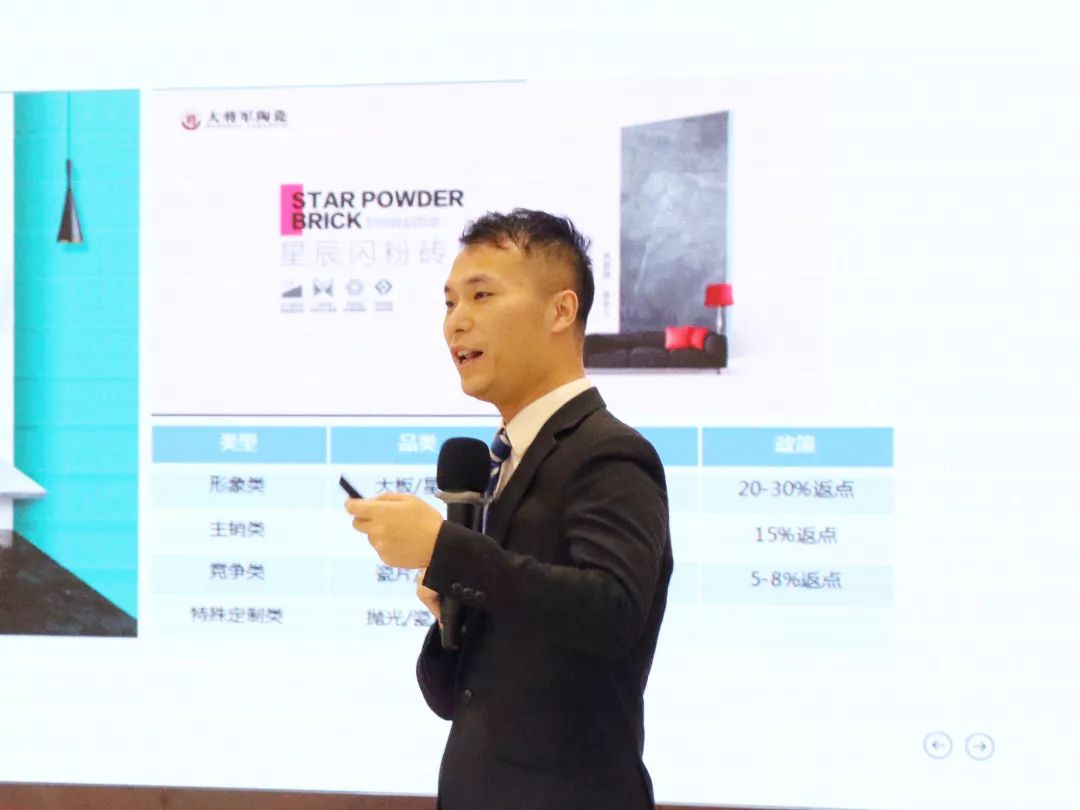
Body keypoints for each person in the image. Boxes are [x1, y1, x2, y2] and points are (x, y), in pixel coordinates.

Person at [346, 209, 672, 809]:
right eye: (449, 302)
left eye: (482, 295)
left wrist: (446, 550)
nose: (456, 321)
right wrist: (449, 608)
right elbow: (456, 698)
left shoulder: (609, 453)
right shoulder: (502, 464)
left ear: (561, 311)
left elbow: (613, 611)